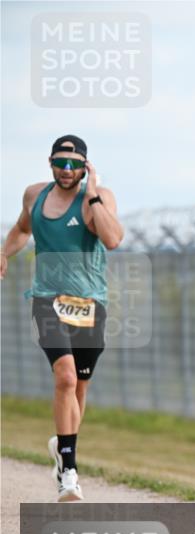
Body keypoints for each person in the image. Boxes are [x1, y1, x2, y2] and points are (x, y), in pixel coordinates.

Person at [0, 135, 124, 501]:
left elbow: (113, 239)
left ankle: (63, 444)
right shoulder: (34, 195)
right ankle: (68, 471)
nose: (66, 170)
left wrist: (94, 194)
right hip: (47, 300)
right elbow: (22, 230)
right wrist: (4, 253)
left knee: (79, 387)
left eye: (74, 164)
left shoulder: (98, 198)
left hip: (89, 304)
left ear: (85, 166)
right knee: (66, 378)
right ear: (50, 163)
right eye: (60, 163)